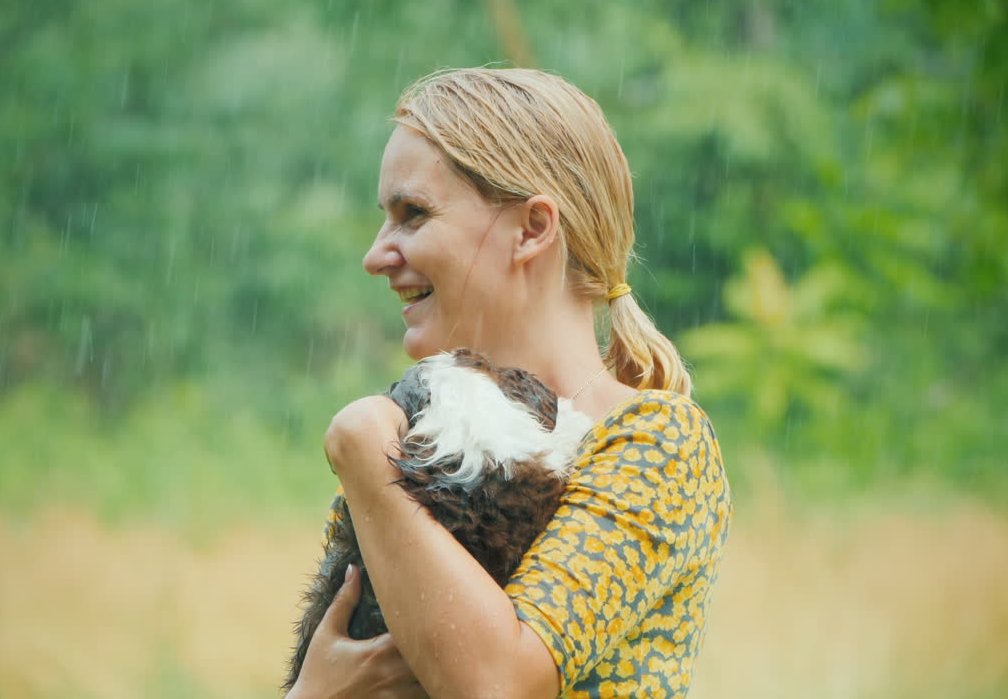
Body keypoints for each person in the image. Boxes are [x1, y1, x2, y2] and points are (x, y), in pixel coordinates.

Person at [286, 68, 731, 699]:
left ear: (532, 229)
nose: (376, 254)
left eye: (413, 214)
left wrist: (363, 447)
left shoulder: (655, 442)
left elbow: (498, 685)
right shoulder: (413, 437)